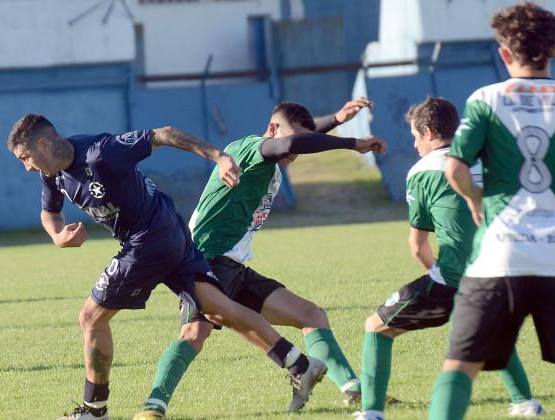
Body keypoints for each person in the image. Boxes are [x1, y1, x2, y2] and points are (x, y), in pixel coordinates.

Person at [6, 115, 326, 420]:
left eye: (26, 157)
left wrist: (219, 157)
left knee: (90, 318)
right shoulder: (51, 173)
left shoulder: (100, 153)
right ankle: (298, 363)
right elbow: (49, 212)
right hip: (170, 233)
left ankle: (95, 409)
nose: (25, 167)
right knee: (217, 308)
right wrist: (58, 235)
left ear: (44, 145)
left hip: (150, 239)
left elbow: (165, 134)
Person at [134, 99, 388, 420]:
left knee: (311, 315)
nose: (293, 153)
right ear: (271, 130)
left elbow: (297, 137)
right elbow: (291, 141)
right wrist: (353, 143)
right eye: (286, 142)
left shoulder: (272, 152)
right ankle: (152, 409)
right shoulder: (252, 149)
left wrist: (335, 119)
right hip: (205, 260)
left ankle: (353, 392)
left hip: (231, 264)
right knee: (193, 336)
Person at [353, 97, 544, 420]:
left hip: (456, 277)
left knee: (376, 327)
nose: (414, 144)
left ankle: (371, 413)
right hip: (505, 269)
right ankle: (525, 402)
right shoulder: (488, 158)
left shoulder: (423, 171)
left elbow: (417, 245)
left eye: (415, 136)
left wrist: (439, 276)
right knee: (490, 329)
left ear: (428, 132)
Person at [427, 3, 555, 419]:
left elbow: (455, 168)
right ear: (551, 50)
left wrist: (475, 200)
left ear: (504, 54)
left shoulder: (486, 99)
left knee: (460, 366)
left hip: (501, 254)